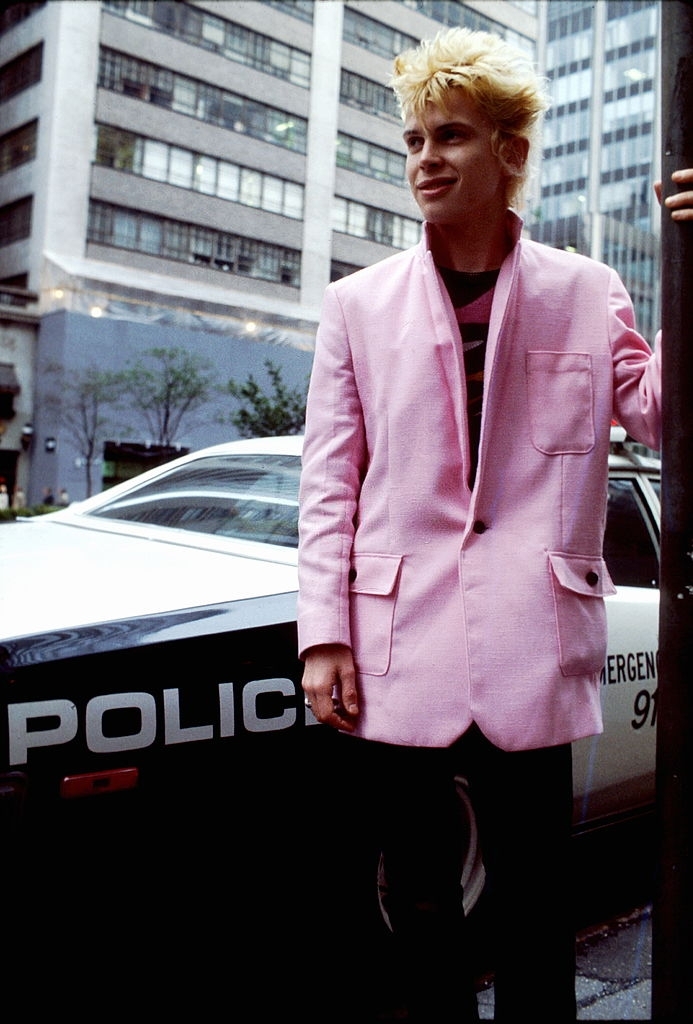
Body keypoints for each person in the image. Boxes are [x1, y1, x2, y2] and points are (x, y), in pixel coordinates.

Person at [297, 26, 693, 1024]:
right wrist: (325, 634)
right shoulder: (356, 307)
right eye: (416, 140)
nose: (426, 158)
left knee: (535, 915)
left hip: (533, 640)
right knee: (420, 909)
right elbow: (328, 482)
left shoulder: (586, 291)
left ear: (510, 152)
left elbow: (662, 415)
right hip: (398, 645)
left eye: (453, 136)